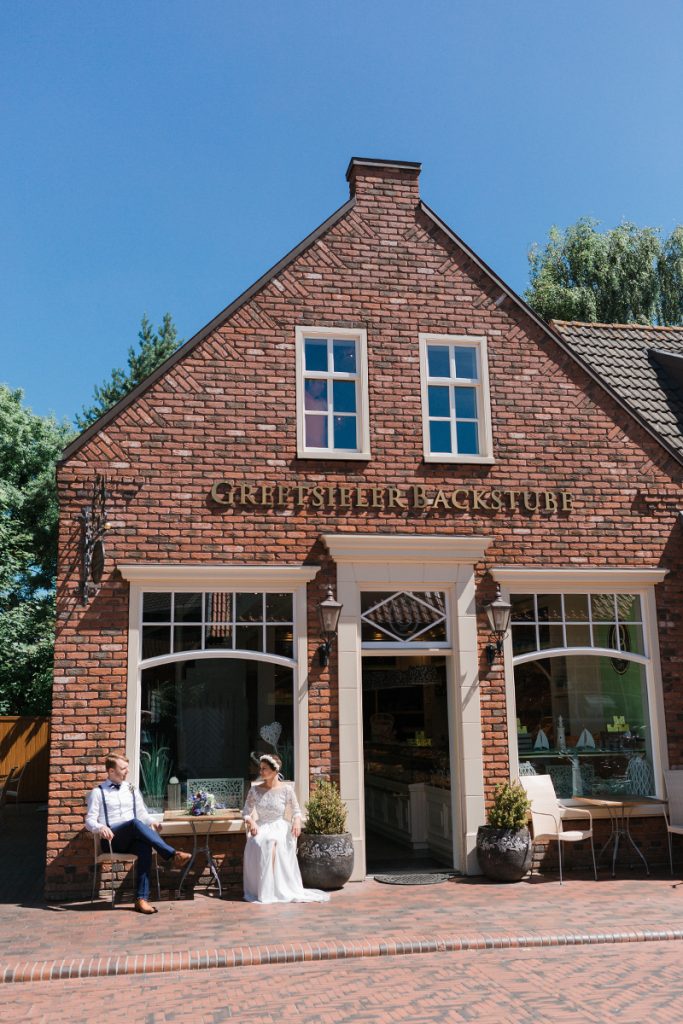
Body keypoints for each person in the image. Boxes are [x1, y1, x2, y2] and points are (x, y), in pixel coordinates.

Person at [85, 752, 191, 914]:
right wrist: (100, 828)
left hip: (132, 838)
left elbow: (142, 814)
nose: (127, 771)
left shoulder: (131, 789)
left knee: (144, 848)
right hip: (112, 840)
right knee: (134, 824)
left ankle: (141, 899)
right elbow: (89, 821)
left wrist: (152, 821)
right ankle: (172, 854)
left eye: (127, 768)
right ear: (111, 771)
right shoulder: (98, 792)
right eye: (123, 768)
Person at [242, 753, 329, 904]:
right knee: (259, 841)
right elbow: (245, 812)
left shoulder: (286, 790)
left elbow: (296, 811)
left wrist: (297, 822)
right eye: (260, 768)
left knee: (271, 841)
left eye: (264, 769)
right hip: (262, 825)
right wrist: (252, 822)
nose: (261, 772)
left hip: (279, 825)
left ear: (274, 770)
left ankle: (274, 889)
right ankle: (263, 889)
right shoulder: (255, 790)